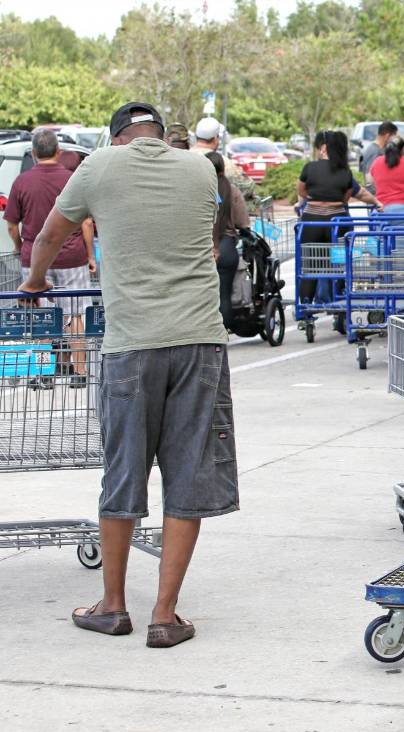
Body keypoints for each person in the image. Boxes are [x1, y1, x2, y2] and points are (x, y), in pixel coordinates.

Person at [19, 101, 239, 648]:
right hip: (199, 342)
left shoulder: (97, 166)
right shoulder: (198, 167)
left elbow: (48, 237)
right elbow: (214, 235)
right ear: (161, 137)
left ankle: (112, 606)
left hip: (131, 347)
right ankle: (165, 616)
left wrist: (36, 282)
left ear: (117, 138)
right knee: (189, 474)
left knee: (123, 471)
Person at [4, 129, 95, 386]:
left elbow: (12, 224)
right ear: (58, 152)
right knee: (75, 314)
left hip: (35, 260)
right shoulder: (72, 179)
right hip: (71, 257)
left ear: (33, 154)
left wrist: (21, 246)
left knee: (42, 316)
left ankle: (43, 374)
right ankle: (79, 372)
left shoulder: (21, 182)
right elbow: (86, 222)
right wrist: (90, 256)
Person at [296, 130, 382, 304]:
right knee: (339, 262)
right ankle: (339, 299)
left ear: (324, 149)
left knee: (310, 264)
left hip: (311, 220)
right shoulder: (345, 173)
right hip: (337, 221)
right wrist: (377, 202)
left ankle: (305, 304)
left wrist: (314, 199)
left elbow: (301, 190)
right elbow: (345, 198)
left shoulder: (309, 168)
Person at [205, 151, 250, 330]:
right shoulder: (232, 191)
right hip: (227, 247)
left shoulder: (200, 191)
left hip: (203, 248)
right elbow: (242, 222)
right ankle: (224, 328)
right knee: (224, 293)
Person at [192, 117, 255, 203]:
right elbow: (247, 187)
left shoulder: (181, 157)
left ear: (196, 137)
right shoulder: (224, 162)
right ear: (215, 138)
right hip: (215, 213)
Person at [360, 120, 398, 189]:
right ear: (387, 136)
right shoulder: (375, 151)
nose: (395, 140)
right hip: (376, 195)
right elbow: (369, 178)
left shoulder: (378, 149)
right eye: (394, 136)